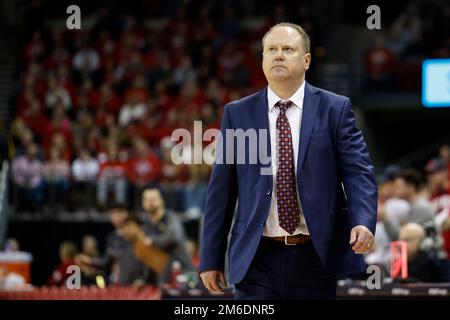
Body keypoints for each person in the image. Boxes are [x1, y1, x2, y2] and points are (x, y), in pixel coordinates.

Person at [199, 23, 377, 300]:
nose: (278, 55)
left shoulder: (335, 108)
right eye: (271, 50)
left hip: (314, 254)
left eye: (287, 49)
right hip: (255, 256)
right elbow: (221, 190)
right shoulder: (238, 113)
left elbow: (358, 173)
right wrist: (210, 258)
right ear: (262, 60)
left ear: (306, 60)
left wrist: (363, 221)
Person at [140, 187, 196, 284]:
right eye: (147, 200)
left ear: (162, 200)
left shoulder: (171, 218)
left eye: (153, 199)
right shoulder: (145, 226)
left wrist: (152, 241)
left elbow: (174, 237)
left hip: (184, 274)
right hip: (160, 278)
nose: (150, 203)